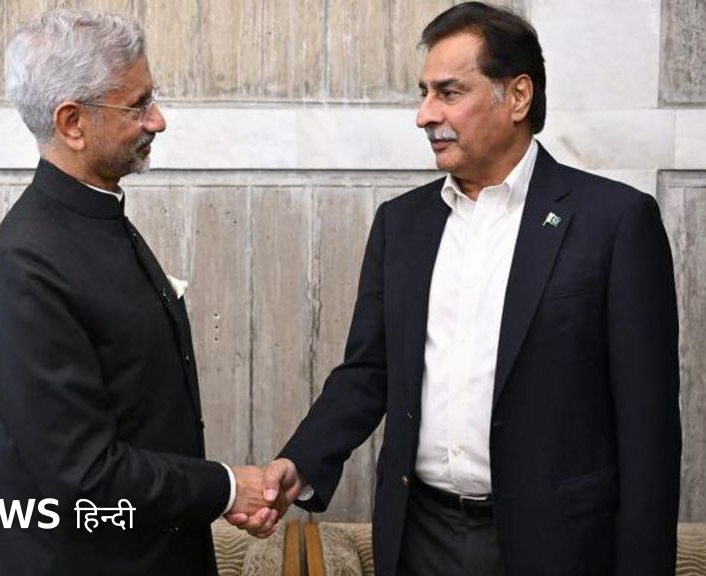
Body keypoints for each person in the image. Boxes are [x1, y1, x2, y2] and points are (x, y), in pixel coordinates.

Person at [242, 3, 682, 575]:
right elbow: (369, 371)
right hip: (419, 537)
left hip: (559, 545)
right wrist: (301, 461)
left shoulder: (615, 222)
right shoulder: (401, 224)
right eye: (425, 93)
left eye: (449, 93)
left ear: (517, 96)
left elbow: (649, 430)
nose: (425, 115)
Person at [0, 10, 275, 575]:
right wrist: (228, 487)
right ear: (72, 123)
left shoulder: (95, 218)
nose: (157, 120)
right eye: (137, 105)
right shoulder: (25, 267)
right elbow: (84, 473)